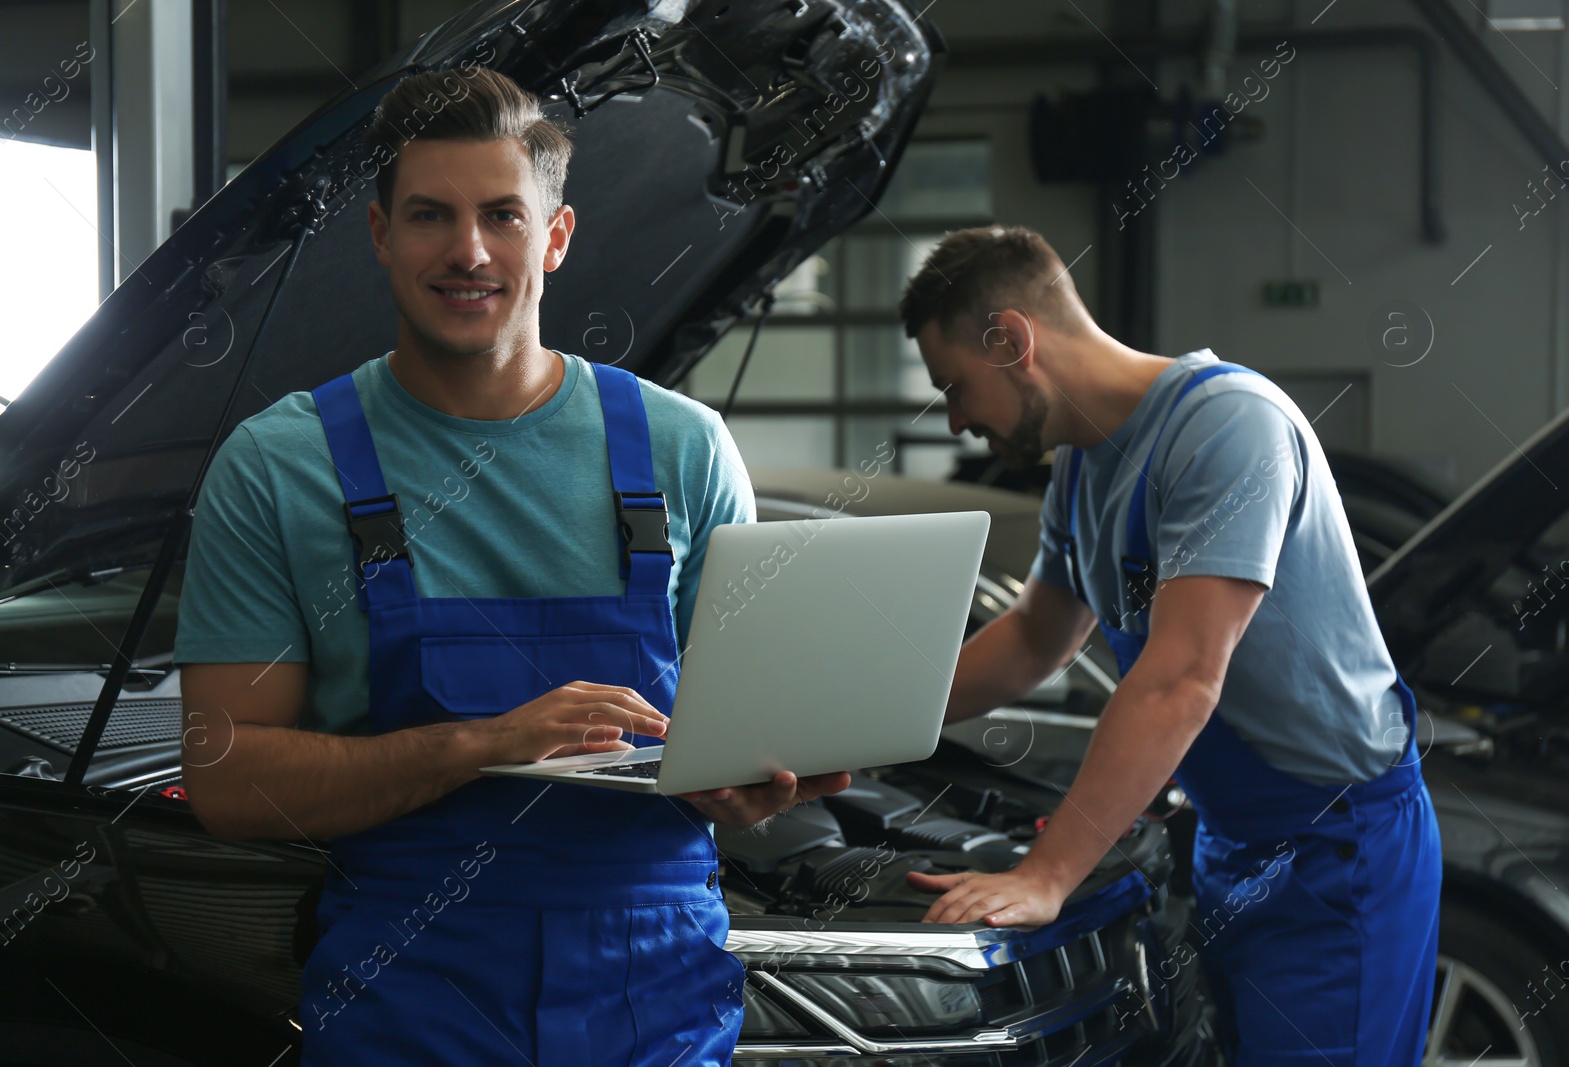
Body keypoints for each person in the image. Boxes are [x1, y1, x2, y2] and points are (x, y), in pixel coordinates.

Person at [173, 69, 848, 1066]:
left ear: (558, 236)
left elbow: (745, 728)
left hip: (653, 994)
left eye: (502, 214)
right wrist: (483, 742)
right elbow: (228, 779)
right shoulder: (281, 465)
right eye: (430, 215)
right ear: (378, 234)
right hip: (411, 996)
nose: (468, 250)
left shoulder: (683, 449)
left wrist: (755, 784)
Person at [898, 226, 1442, 1066]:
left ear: (1010, 339)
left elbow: (1183, 677)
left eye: (956, 387)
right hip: (1233, 842)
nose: (960, 419)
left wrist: (1047, 874)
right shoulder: (1082, 468)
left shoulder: (1228, 427)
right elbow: (1038, 637)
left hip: (1340, 850)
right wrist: (865, 719)